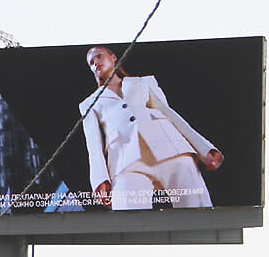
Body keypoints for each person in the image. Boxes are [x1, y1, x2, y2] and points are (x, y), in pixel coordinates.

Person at [80, 45, 223, 211]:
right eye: (91, 62)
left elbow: (170, 115)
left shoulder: (143, 82)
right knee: (127, 219)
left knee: (198, 211)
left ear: (113, 57)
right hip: (126, 164)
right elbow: (93, 145)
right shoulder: (89, 104)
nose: (95, 63)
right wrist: (100, 180)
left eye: (98, 56)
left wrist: (204, 149)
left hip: (171, 151)